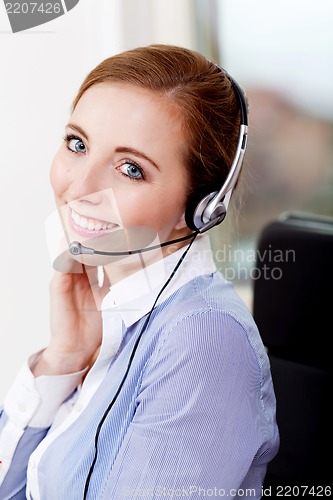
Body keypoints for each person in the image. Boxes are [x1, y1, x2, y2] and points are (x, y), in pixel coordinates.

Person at [0, 44, 279, 499]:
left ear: (202, 207)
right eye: (78, 144)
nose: (80, 186)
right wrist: (64, 359)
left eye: (130, 168)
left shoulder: (203, 339)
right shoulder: (116, 316)